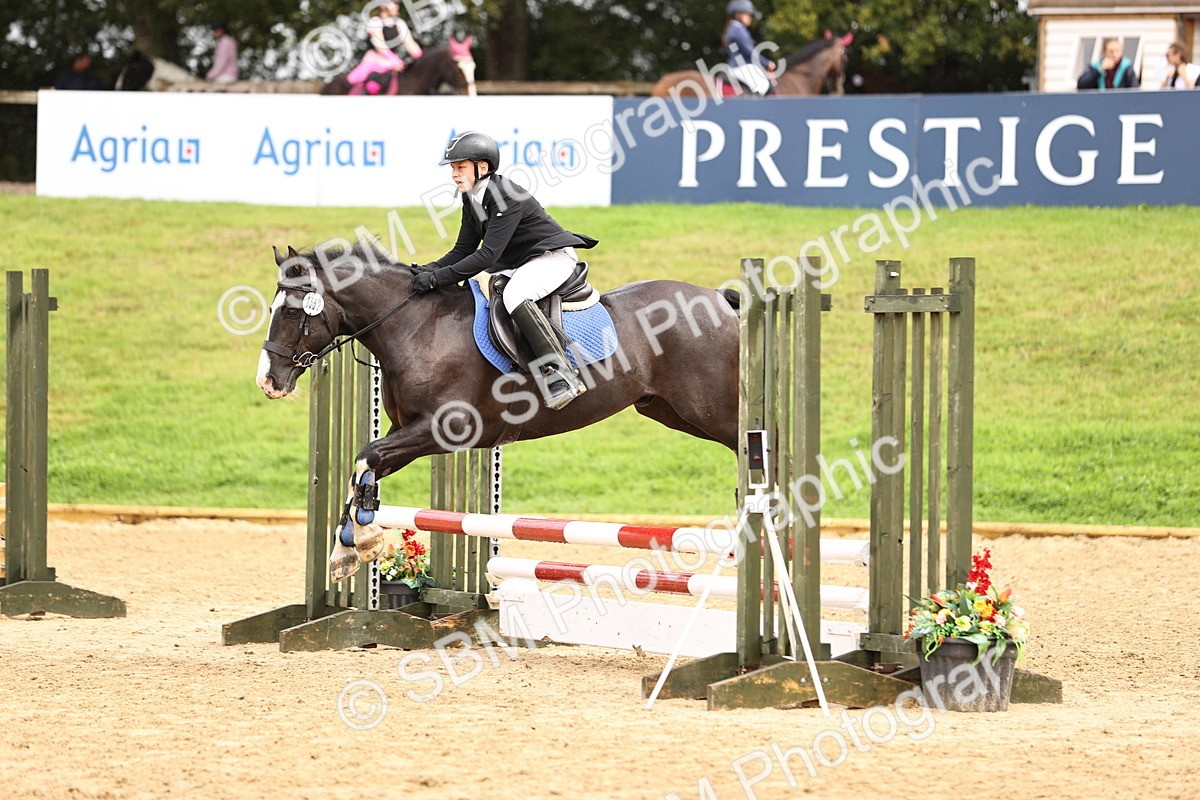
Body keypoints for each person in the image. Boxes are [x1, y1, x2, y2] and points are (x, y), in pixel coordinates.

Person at [412, 132, 598, 410]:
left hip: (551, 258)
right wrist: (428, 270)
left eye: (460, 167)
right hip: (524, 261)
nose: (454, 174)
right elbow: (463, 249)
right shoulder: (472, 197)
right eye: (453, 168)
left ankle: (560, 374)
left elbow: (487, 256)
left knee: (515, 295)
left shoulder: (505, 196)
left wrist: (438, 279)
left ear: (482, 167)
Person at [722, 0, 775, 96]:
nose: (750, 18)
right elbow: (749, 51)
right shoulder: (737, 30)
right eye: (748, 14)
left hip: (744, 66)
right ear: (738, 14)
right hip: (740, 66)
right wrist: (766, 63)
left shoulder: (737, 29)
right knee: (763, 85)